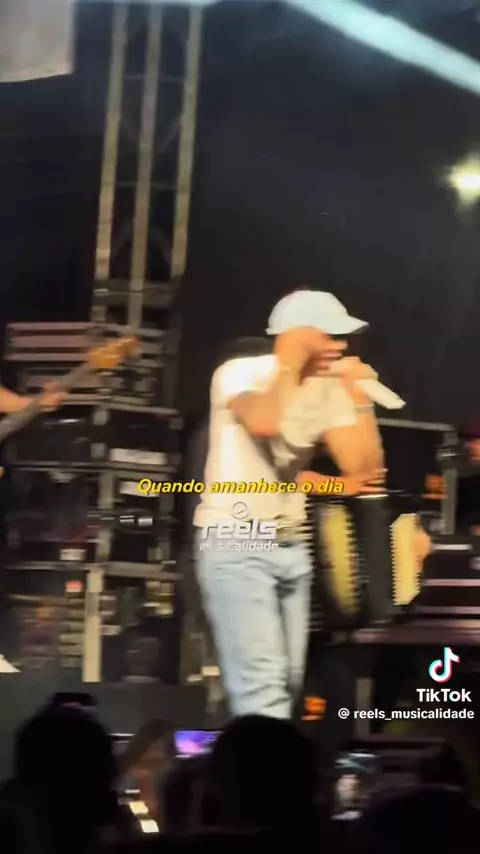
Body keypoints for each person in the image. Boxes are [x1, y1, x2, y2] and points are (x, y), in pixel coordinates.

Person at [194, 290, 388, 719]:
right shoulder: (241, 373)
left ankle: (251, 751)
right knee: (263, 692)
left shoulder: (326, 387)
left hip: (290, 546)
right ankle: (259, 760)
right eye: (329, 335)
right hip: (236, 541)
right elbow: (264, 423)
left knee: (289, 685)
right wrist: (288, 366)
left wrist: (358, 398)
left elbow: (365, 469)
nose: (340, 346)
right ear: (295, 335)